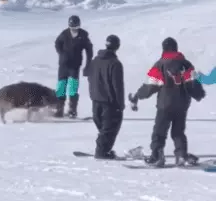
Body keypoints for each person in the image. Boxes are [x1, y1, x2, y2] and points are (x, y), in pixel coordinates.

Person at [128, 37, 206, 167]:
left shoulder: (160, 64)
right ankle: (181, 155)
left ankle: (157, 156)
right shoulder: (186, 64)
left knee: (159, 130)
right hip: (182, 105)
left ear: (164, 49)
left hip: (165, 104)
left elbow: (150, 86)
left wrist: (138, 95)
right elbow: (192, 83)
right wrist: (199, 94)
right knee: (178, 131)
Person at [87, 35, 124, 159]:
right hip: (109, 101)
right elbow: (117, 86)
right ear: (117, 46)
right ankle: (101, 151)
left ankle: (102, 148)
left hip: (96, 99)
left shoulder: (95, 60)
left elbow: (89, 77)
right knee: (110, 128)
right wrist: (121, 104)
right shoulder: (115, 63)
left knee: (103, 128)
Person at [54, 15, 93, 118]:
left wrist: (88, 65)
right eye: (72, 28)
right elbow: (57, 43)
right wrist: (61, 53)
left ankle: (72, 110)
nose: (74, 30)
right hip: (63, 65)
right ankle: (59, 110)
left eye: (76, 28)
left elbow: (89, 50)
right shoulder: (64, 34)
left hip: (75, 66)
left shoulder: (83, 35)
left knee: (72, 88)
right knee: (61, 87)